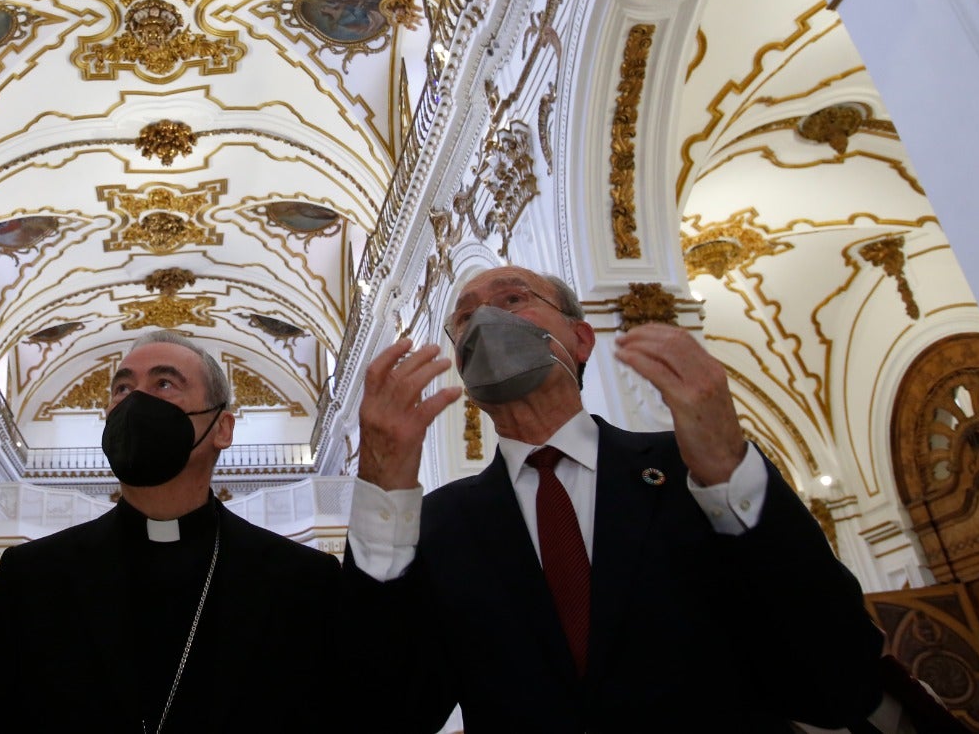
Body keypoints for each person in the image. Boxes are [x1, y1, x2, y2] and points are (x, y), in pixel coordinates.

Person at [348, 265, 886, 733]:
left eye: (513, 299)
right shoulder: (438, 525)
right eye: (465, 318)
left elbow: (839, 683)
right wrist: (380, 489)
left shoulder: (690, 470)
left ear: (581, 339)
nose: (485, 323)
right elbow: (387, 713)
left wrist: (731, 472)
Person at [0, 330, 349, 733]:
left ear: (222, 428)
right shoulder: (32, 577)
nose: (134, 401)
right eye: (122, 387)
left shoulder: (301, 582)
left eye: (163, 384)